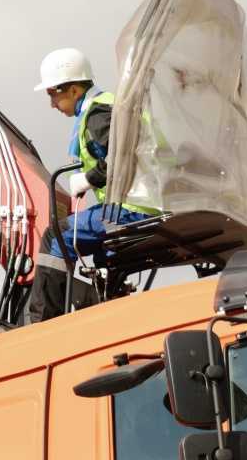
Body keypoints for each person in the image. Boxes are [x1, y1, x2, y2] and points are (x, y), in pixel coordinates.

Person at [26, 48, 157, 323]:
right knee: (101, 255)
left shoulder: (99, 113)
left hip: (130, 209)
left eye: (53, 94)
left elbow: (124, 154)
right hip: (146, 204)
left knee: (57, 238)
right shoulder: (112, 106)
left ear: (73, 90)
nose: (52, 104)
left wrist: (88, 178)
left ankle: (40, 325)